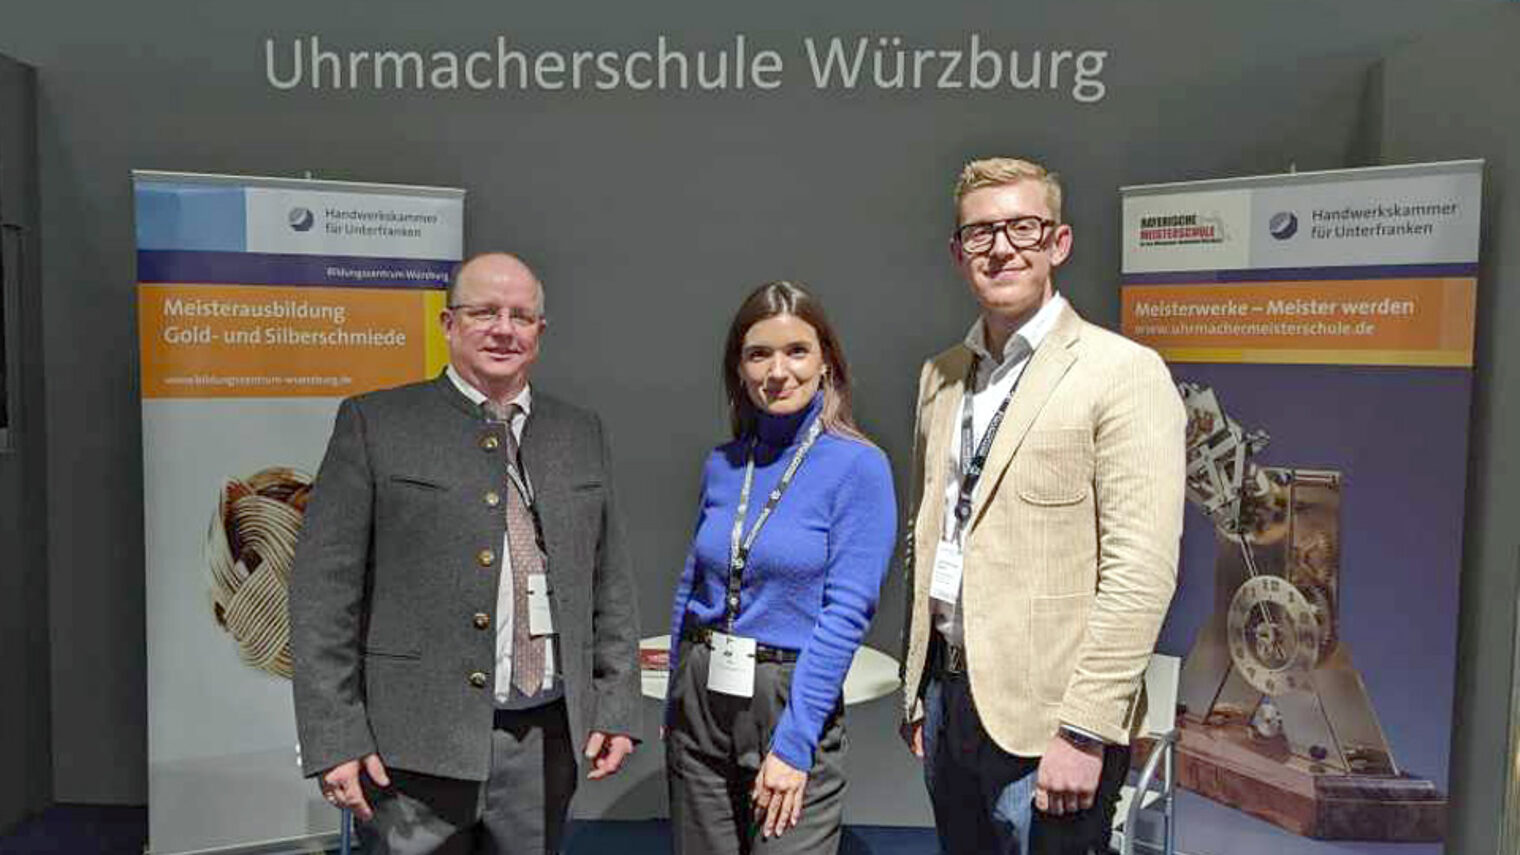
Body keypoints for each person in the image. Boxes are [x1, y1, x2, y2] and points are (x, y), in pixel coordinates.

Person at [289, 252, 642, 855]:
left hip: (543, 743)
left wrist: (617, 705)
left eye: (520, 316)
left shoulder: (580, 432)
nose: (503, 329)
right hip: (410, 749)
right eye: (483, 312)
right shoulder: (376, 423)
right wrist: (335, 736)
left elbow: (609, 581)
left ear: (540, 331)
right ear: (448, 324)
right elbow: (323, 595)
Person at [898, 158, 1185, 854]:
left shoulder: (1123, 372)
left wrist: (1086, 727)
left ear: (1057, 243)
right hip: (951, 699)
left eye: (1021, 227)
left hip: (1053, 722)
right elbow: (935, 529)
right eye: (980, 233)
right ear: (957, 253)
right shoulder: (940, 377)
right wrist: (921, 686)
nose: (1000, 247)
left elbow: (1139, 571)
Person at [664, 281, 896, 855]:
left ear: (827, 364)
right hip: (702, 691)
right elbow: (692, 584)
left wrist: (794, 745)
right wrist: (676, 692)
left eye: (797, 351)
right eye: (758, 353)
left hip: (790, 698)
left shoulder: (858, 467)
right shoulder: (724, 463)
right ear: (739, 369)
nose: (778, 370)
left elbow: (846, 615)